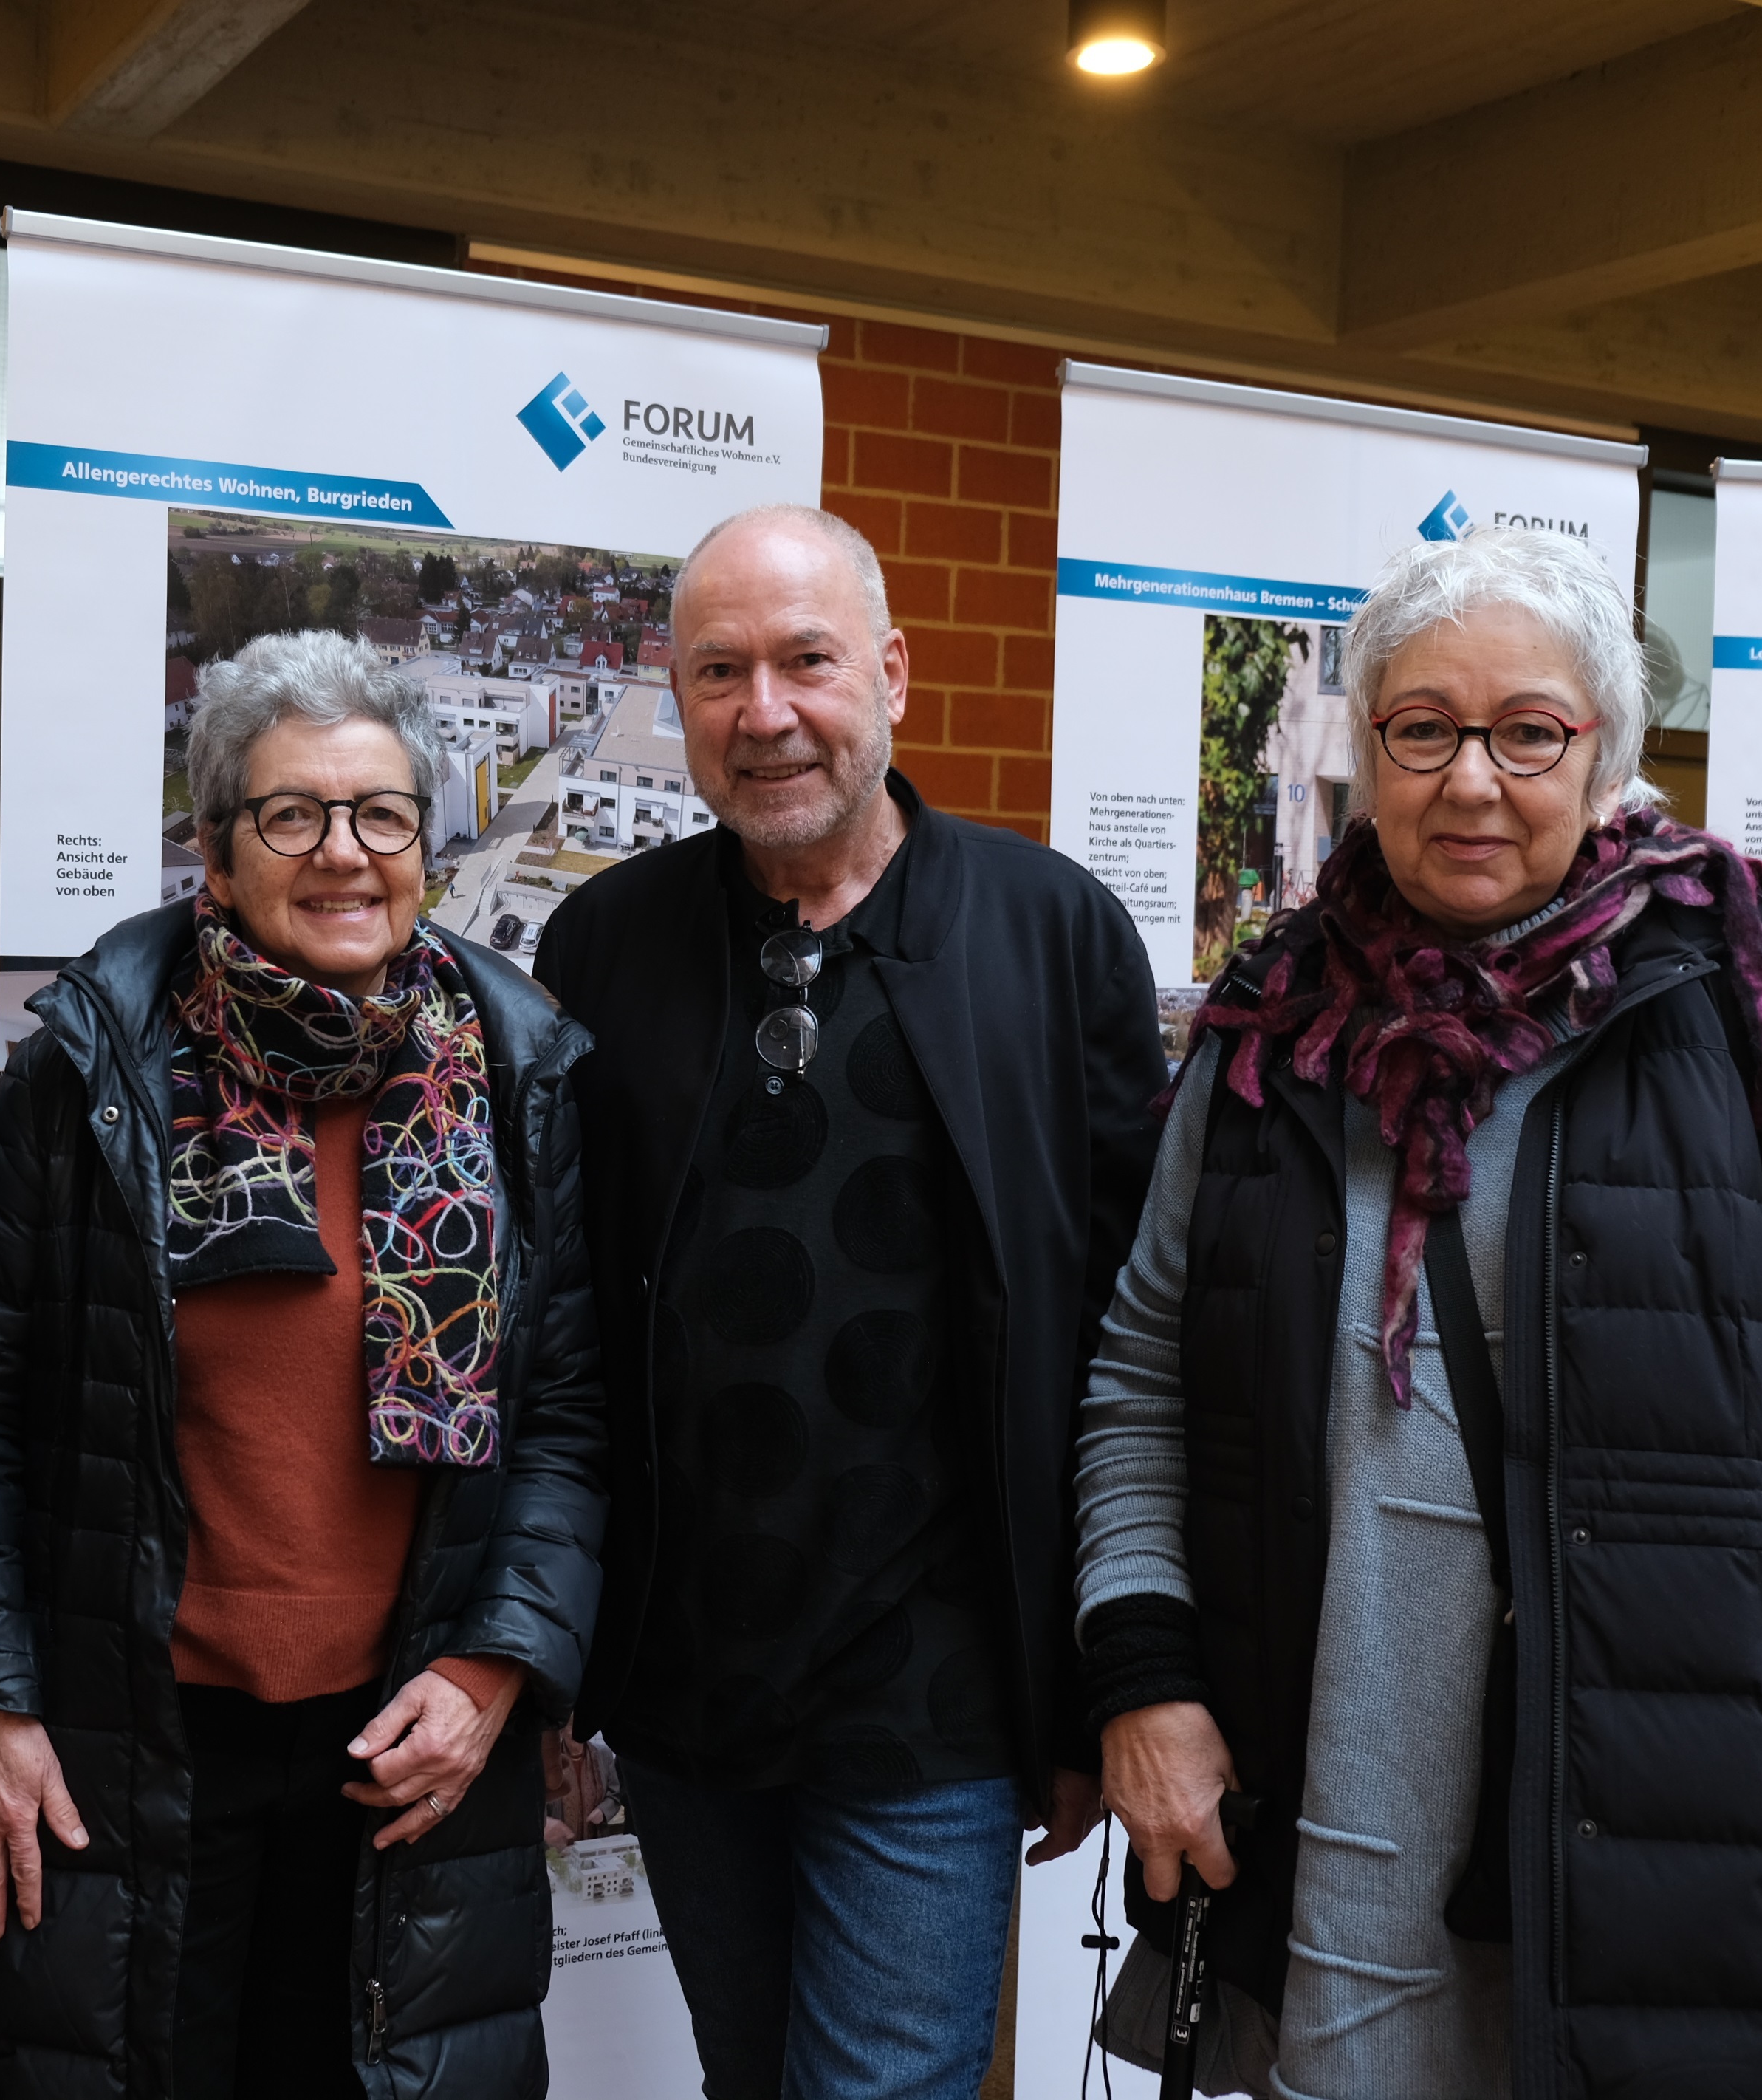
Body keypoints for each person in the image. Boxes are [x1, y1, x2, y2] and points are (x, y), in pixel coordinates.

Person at [1075, 527, 1762, 2099]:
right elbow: (1136, 1391)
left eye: (1526, 732)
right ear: (1364, 756)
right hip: (1323, 1869)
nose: (1468, 781)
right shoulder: (1263, 1046)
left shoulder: (1745, 1030)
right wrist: (1145, 1681)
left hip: (1671, 1856)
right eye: (1420, 728)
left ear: (1603, 761)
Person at [0, 629, 608, 2097]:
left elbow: (569, 1426)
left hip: (401, 1747)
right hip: (129, 1738)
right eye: (291, 815)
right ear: (215, 855)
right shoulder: (87, 1071)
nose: (342, 853)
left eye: (380, 814)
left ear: (426, 841)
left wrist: (491, 1667)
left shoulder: (519, 1076)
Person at [532, 504, 1166, 2096]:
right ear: (673, 702)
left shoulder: (1047, 932)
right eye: (718, 673)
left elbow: (1129, 1335)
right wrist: (549, 1654)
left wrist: (1107, 1685)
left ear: (888, 670)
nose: (766, 714)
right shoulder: (603, 945)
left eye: (806, 662)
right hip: (683, 1686)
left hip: (932, 1690)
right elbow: (558, 1328)